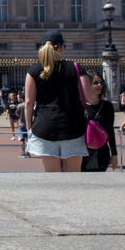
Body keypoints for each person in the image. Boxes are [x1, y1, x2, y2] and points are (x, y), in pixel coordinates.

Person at [24, 30, 89, 172]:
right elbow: (88, 96)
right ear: (62, 47)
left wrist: (29, 128)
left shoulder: (34, 70)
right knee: (74, 175)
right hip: (73, 126)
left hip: (44, 126)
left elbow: (29, 102)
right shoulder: (76, 68)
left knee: (52, 176)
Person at [81, 71, 118, 172]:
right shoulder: (79, 105)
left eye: (101, 82)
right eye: (95, 82)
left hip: (101, 152)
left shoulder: (107, 106)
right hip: (81, 152)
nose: (99, 85)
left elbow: (110, 131)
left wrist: (114, 154)